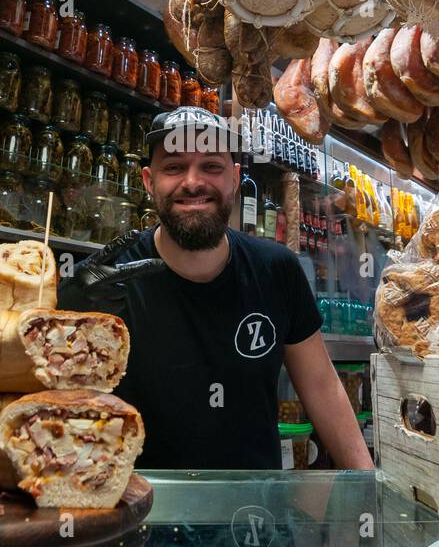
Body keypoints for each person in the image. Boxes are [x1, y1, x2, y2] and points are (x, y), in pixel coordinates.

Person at [59, 106, 374, 471]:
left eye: (211, 166)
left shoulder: (277, 269)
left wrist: (367, 486)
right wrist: (67, 317)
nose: (193, 182)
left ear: (235, 178)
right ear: (148, 181)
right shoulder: (103, 283)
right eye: (174, 167)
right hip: (135, 509)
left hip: (253, 516)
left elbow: (322, 386)